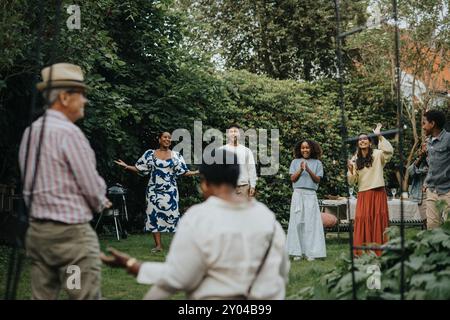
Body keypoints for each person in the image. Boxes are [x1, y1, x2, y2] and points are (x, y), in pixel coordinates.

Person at [102, 149, 289, 300]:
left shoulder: (199, 217)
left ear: (205, 183)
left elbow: (178, 277)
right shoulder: (268, 218)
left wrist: (132, 264)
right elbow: (282, 273)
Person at [18, 63, 111, 299]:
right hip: (70, 240)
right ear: (64, 97)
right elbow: (90, 185)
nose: (85, 101)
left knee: (42, 296)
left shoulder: (31, 132)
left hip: (39, 234)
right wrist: (101, 200)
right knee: (81, 294)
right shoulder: (68, 133)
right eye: (81, 95)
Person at [115, 131, 198, 252]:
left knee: (173, 216)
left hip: (170, 191)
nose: (167, 139)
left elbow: (183, 172)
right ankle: (158, 245)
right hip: (154, 191)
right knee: (153, 216)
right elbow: (140, 168)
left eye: (169, 138)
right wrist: (127, 166)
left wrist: (196, 172)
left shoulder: (176, 155)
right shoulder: (150, 154)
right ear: (159, 139)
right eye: (165, 137)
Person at [347, 124, 394, 256]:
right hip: (363, 194)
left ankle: (379, 250)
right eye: (360, 139)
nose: (362, 140)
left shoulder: (378, 154)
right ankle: (363, 251)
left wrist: (379, 135)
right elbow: (352, 181)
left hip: (378, 192)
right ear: (358, 143)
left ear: (369, 142)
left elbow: (389, 151)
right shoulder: (355, 159)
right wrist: (350, 169)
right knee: (364, 220)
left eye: (365, 139)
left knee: (378, 221)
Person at [286, 140, 326, 261]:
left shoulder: (317, 163)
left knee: (311, 223)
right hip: (298, 194)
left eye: (307, 148)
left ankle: (311, 252)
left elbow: (317, 180)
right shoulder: (295, 162)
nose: (305, 150)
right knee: (297, 222)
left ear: (312, 149)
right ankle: (297, 252)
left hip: (310, 194)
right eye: (303, 148)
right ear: (300, 149)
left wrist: (308, 169)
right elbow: (293, 178)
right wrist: (300, 169)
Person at [422, 110, 450, 229]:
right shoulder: (428, 142)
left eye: (424, 123)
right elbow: (432, 166)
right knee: (432, 228)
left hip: (447, 190)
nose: (423, 127)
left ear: (432, 124)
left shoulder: (448, 138)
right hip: (432, 190)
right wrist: (426, 182)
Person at [220, 124, 257, 198]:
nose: (233, 133)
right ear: (227, 134)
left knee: (243, 209)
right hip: (227, 188)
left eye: (236, 131)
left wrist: (252, 186)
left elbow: (251, 169)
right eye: (231, 132)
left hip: (243, 188)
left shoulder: (247, 151)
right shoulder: (221, 150)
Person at [407, 140, 428, 219]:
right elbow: (411, 172)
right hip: (421, 195)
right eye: (424, 144)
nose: (426, 146)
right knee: (425, 220)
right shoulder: (420, 161)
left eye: (428, 143)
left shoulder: (438, 157)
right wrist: (420, 158)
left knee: (434, 221)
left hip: (433, 191)